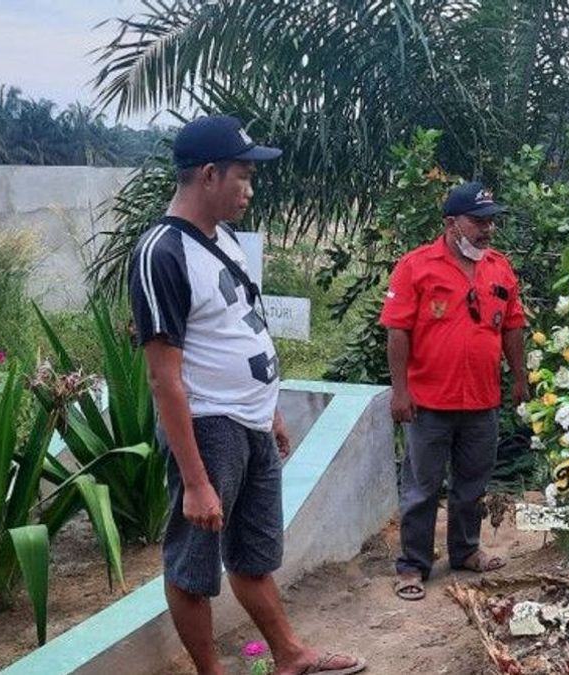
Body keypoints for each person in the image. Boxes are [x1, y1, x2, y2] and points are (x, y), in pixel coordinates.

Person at [129, 115, 364, 675]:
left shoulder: (227, 240)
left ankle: (290, 655)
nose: (250, 190)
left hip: (252, 423)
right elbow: (164, 377)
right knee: (193, 564)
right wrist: (194, 481)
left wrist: (271, 411)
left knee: (254, 553)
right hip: (208, 427)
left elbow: (243, 328)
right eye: (243, 175)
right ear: (209, 174)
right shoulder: (161, 253)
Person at [380, 181, 529, 601]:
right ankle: (412, 565)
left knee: (472, 484)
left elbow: (513, 326)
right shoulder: (415, 266)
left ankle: (465, 551)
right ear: (451, 224)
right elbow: (397, 331)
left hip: (482, 402)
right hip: (428, 401)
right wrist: (400, 392)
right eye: (478, 222)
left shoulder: (499, 267)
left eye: (491, 222)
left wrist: (519, 379)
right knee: (421, 487)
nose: (488, 230)